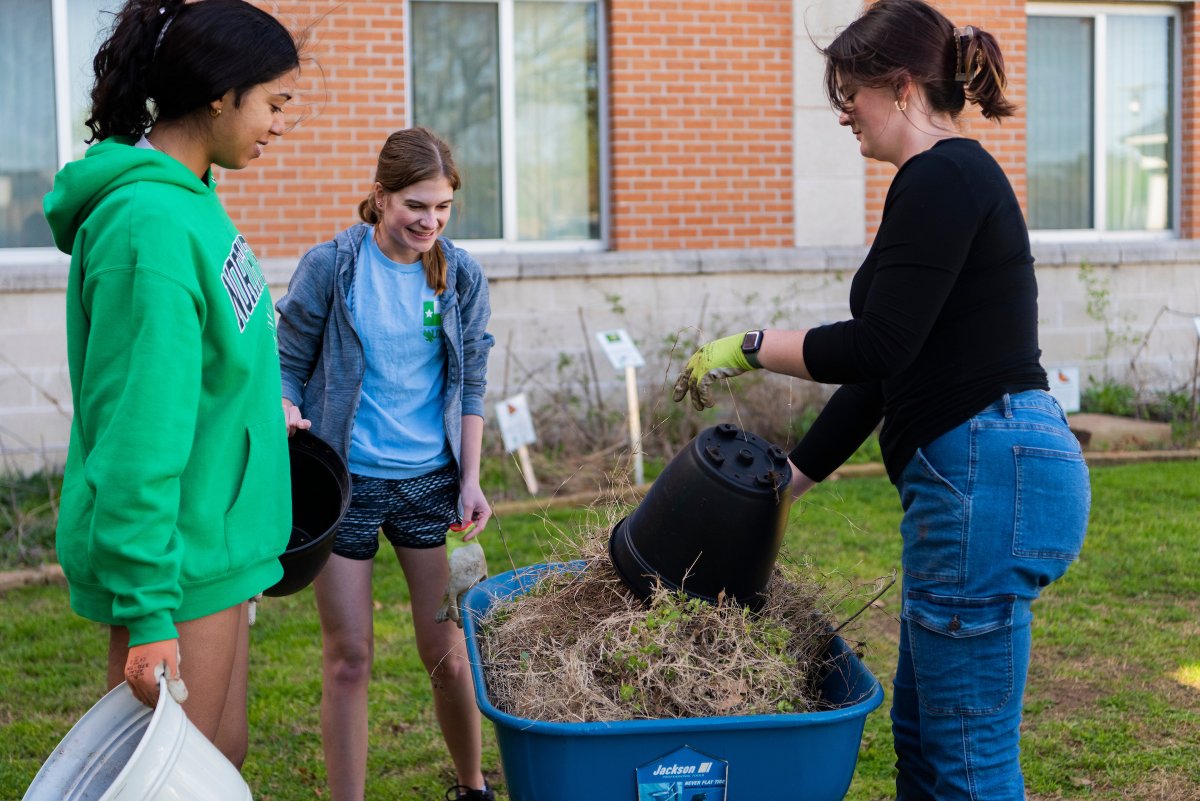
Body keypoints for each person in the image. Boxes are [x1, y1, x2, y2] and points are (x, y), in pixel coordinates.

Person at [672, 1, 1091, 799]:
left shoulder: (945, 175)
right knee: (926, 743)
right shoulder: (939, 181)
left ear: (900, 88)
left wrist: (753, 345)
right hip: (980, 475)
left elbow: (876, 346)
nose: (842, 114)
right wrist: (792, 476)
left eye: (850, 94)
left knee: (965, 760)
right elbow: (884, 375)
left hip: (986, 477)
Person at [42, 0, 302, 768]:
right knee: (173, 777)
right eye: (274, 102)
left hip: (214, 543)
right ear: (221, 94)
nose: (282, 123)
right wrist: (149, 608)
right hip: (177, 558)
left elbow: (210, 367)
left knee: (221, 757)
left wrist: (259, 415)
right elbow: (137, 431)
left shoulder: (193, 203)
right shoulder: (149, 225)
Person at [276, 127, 496, 801]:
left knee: (447, 656)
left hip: (429, 482)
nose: (430, 221)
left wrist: (469, 477)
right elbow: (286, 360)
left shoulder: (459, 273)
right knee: (350, 658)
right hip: (344, 483)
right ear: (380, 197)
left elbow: (473, 381)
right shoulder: (334, 266)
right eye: (415, 205)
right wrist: (285, 406)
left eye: (442, 207)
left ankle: (472, 785)